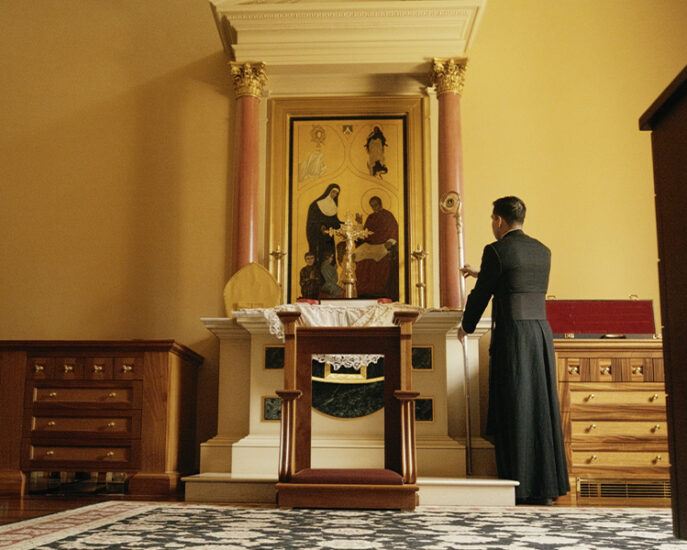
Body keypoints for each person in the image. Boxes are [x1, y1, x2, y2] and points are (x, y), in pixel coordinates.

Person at [458, 196, 569, 505]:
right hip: (540, 333)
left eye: (492, 220)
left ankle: (519, 485)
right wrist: (482, 273)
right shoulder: (542, 251)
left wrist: (465, 327)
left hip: (514, 336)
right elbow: (516, 280)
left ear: (499, 220)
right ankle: (547, 485)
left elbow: (482, 296)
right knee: (541, 406)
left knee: (516, 404)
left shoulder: (495, 251)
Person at [353, 196, 399, 300]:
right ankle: (362, 289)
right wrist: (359, 223)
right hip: (370, 244)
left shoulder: (388, 215)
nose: (374, 207)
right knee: (357, 254)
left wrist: (391, 242)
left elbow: (394, 230)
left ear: (381, 204)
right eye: (372, 206)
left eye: (376, 205)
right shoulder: (371, 217)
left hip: (383, 244)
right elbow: (365, 234)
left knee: (379, 257)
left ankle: (377, 290)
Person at [306, 183, 342, 265]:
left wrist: (346, 224)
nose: (334, 195)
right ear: (328, 191)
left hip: (328, 238)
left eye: (336, 193)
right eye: (333, 192)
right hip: (318, 237)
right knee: (319, 259)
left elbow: (335, 222)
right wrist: (320, 227)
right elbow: (311, 222)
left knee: (329, 259)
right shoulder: (316, 205)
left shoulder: (333, 205)